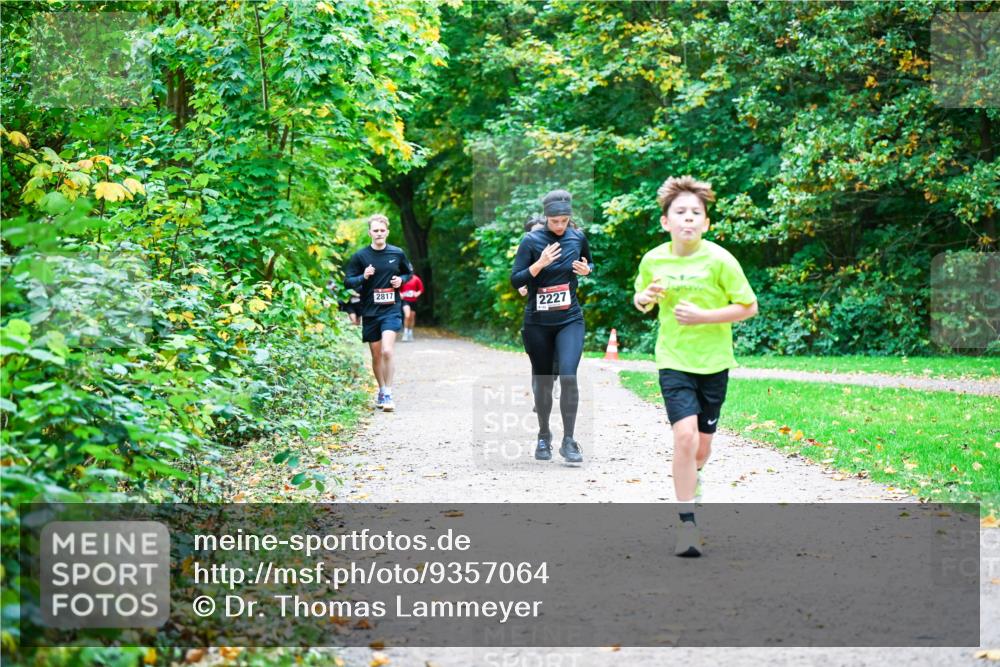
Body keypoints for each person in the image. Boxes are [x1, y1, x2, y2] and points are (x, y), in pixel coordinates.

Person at [632, 176, 758, 558]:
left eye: (696, 213)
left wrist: (705, 317)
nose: (688, 219)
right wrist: (644, 296)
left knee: (701, 449)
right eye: (680, 212)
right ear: (665, 221)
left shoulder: (721, 260)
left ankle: (694, 477)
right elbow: (642, 302)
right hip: (673, 359)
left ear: (706, 222)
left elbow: (748, 307)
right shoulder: (654, 259)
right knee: (684, 437)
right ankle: (687, 524)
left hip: (715, 363)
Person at [511, 190, 593, 463]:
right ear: (546, 218)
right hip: (538, 323)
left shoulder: (577, 236)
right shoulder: (531, 241)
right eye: (555, 221)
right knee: (544, 383)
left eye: (565, 221)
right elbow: (516, 279)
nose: (560, 226)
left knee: (569, 375)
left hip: (570, 318)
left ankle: (569, 441)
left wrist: (587, 269)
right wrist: (540, 264)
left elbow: (588, 261)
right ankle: (544, 435)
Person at [344, 214, 414, 412]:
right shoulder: (361, 256)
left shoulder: (397, 253)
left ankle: (389, 392)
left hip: (391, 309)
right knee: (376, 355)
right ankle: (381, 390)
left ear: (387, 232)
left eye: (382, 230)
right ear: (370, 233)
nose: (379, 233)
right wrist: (363, 276)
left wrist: (401, 280)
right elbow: (348, 281)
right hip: (370, 311)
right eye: (375, 230)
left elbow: (408, 273)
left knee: (387, 350)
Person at [399, 273, 424, 342]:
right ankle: (405, 333)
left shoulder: (416, 278)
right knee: (407, 315)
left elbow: (421, 289)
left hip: (413, 301)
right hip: (405, 300)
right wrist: (400, 294)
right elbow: (397, 289)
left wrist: (417, 294)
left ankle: (410, 332)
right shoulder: (402, 278)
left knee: (412, 317)